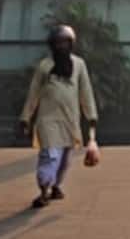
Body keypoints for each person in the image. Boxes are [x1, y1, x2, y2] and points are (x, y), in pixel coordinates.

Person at [19, 23, 98, 211]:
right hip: (47, 120)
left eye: (65, 42)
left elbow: (86, 92)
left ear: (71, 44)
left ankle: (55, 186)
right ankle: (44, 190)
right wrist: (25, 117)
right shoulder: (44, 66)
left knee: (64, 159)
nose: (61, 46)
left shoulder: (79, 64)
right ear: (52, 45)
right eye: (58, 42)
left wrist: (91, 116)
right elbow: (33, 93)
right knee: (49, 155)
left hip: (70, 121)